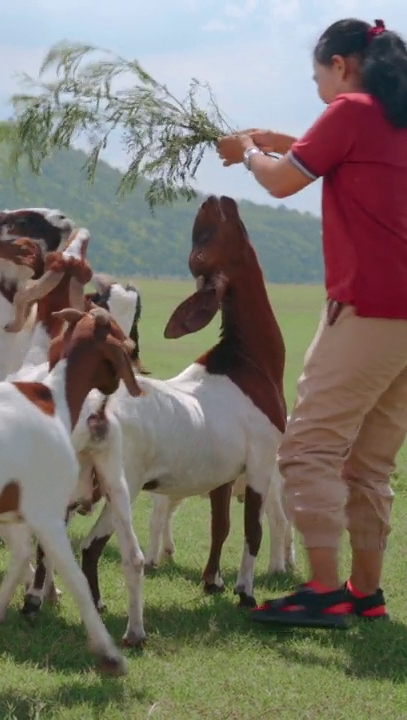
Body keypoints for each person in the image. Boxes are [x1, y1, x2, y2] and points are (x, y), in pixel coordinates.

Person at [217, 18, 407, 628]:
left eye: (317, 73)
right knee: (370, 462)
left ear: (341, 65)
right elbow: (355, 161)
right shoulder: (391, 116)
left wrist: (248, 153)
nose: (318, 84)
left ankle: (323, 589)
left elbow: (279, 182)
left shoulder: (348, 109)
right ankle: (365, 593)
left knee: (308, 449)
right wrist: (285, 138)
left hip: (370, 310)